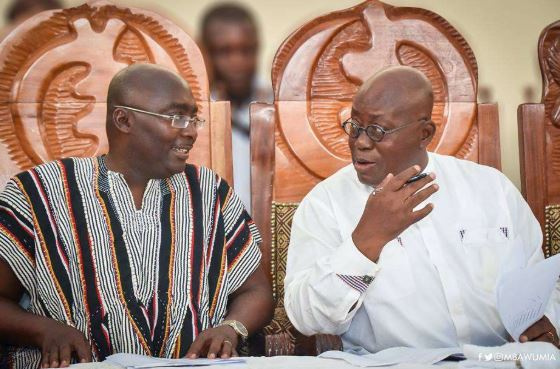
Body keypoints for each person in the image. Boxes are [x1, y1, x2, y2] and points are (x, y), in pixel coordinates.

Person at [0, 63, 273, 368]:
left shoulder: (211, 192)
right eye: (177, 117)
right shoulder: (38, 191)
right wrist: (44, 330)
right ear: (123, 119)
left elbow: (257, 291)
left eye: (194, 118)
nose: (192, 131)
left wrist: (231, 327)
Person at [284, 66, 560, 353]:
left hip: (497, 360)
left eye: (378, 130)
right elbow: (307, 318)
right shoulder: (326, 203)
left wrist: (546, 323)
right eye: (355, 127)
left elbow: (540, 285)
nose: (360, 142)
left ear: (424, 133)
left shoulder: (492, 189)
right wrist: (366, 240)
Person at [200, 3, 271, 212]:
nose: (237, 62)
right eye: (224, 51)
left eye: (246, 50)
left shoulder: (278, 105)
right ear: (205, 52)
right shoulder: (192, 112)